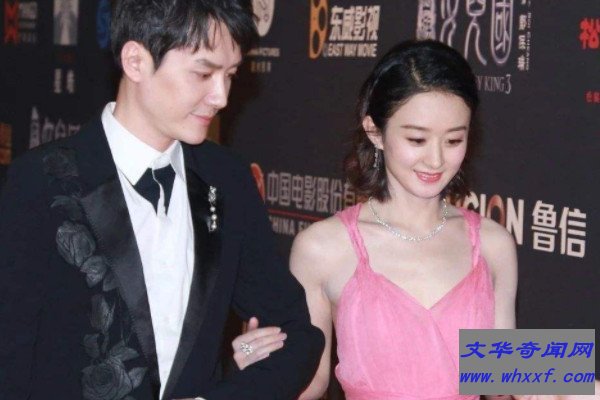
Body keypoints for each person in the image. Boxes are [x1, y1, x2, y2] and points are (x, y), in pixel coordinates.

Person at [0, 1, 324, 399]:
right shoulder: (41, 183)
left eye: (230, 75)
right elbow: (9, 358)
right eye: (203, 73)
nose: (221, 97)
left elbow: (297, 332)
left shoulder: (227, 179)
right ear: (136, 61)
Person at [233, 40, 518, 399]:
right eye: (417, 139)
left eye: (453, 140)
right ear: (375, 132)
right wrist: (262, 368)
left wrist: (572, 375)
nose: (435, 159)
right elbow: (310, 383)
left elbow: (502, 383)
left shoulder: (492, 244)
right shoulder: (324, 248)